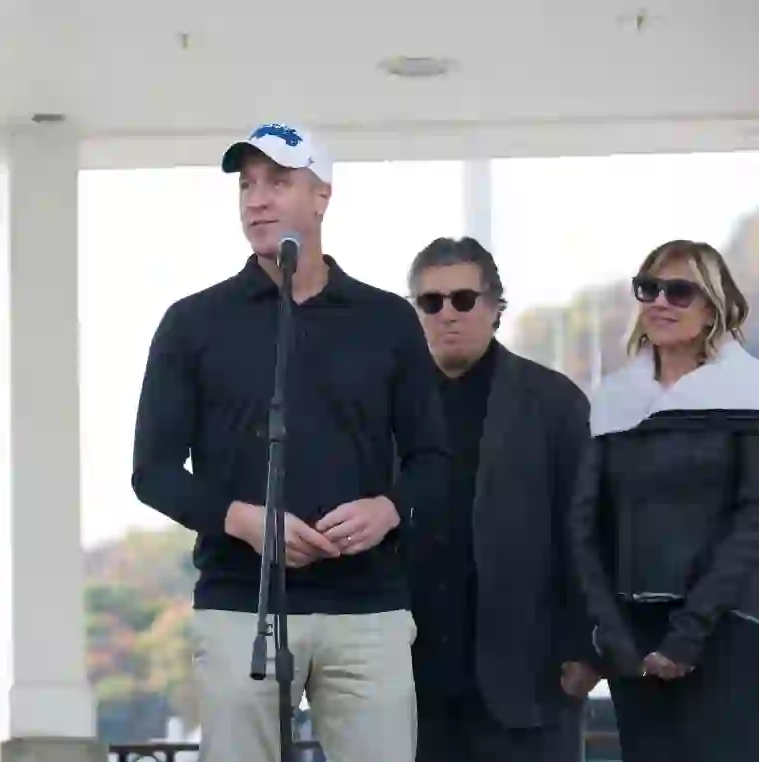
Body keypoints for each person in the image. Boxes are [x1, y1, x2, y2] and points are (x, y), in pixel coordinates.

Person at [131, 122, 449, 762]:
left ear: (323, 195)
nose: (256, 198)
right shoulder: (192, 323)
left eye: (278, 181)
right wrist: (241, 519)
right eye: (246, 184)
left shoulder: (387, 320)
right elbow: (153, 470)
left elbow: (434, 459)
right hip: (240, 609)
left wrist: (389, 508)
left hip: (368, 612)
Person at [405, 237, 600, 762]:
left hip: (530, 681)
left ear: (495, 308)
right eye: (431, 302)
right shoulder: (384, 405)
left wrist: (586, 649)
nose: (448, 313)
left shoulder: (554, 401)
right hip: (411, 684)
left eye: (464, 299)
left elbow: (585, 531)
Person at [569, 239, 759, 762]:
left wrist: (686, 637)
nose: (659, 302)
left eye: (679, 291)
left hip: (727, 633)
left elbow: (752, 522)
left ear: (714, 307)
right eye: (648, 289)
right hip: (633, 643)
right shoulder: (615, 398)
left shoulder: (749, 392)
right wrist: (612, 634)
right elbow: (587, 525)